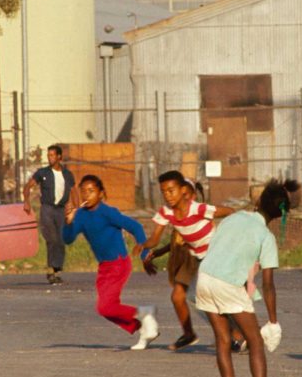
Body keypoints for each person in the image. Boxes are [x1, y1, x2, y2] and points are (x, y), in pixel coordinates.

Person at [194, 178, 299, 377]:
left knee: (222, 341)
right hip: (227, 285)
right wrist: (273, 321)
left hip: (204, 278)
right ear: (280, 215)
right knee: (255, 341)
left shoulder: (233, 218)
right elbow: (268, 284)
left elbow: (225, 254)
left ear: (259, 201)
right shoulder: (266, 237)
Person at [136, 171, 233, 350]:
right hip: (194, 256)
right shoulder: (166, 212)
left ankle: (235, 334)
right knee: (177, 296)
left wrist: (240, 221)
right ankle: (189, 334)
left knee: (213, 296)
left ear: (182, 190)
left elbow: (228, 211)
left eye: (171, 191)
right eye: (163, 192)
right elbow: (155, 238)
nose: (167, 195)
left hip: (214, 255)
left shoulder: (198, 208)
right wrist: (144, 245)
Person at [62, 174, 159, 350]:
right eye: (83, 192)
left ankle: (143, 313)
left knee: (105, 307)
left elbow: (135, 227)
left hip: (119, 264)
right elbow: (68, 239)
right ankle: (143, 327)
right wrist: (68, 222)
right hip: (105, 267)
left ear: (101, 193)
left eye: (91, 191)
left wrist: (145, 253)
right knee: (106, 308)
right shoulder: (81, 216)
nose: (87, 195)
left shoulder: (108, 212)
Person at [23, 144, 77, 285]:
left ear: (59, 156)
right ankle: (51, 270)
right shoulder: (43, 173)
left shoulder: (67, 174)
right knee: (51, 238)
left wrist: (75, 209)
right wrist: (26, 202)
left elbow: (73, 191)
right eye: (48, 155)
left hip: (61, 210)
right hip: (47, 209)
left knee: (60, 239)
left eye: (52, 155)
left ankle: (57, 270)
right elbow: (28, 186)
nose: (50, 158)